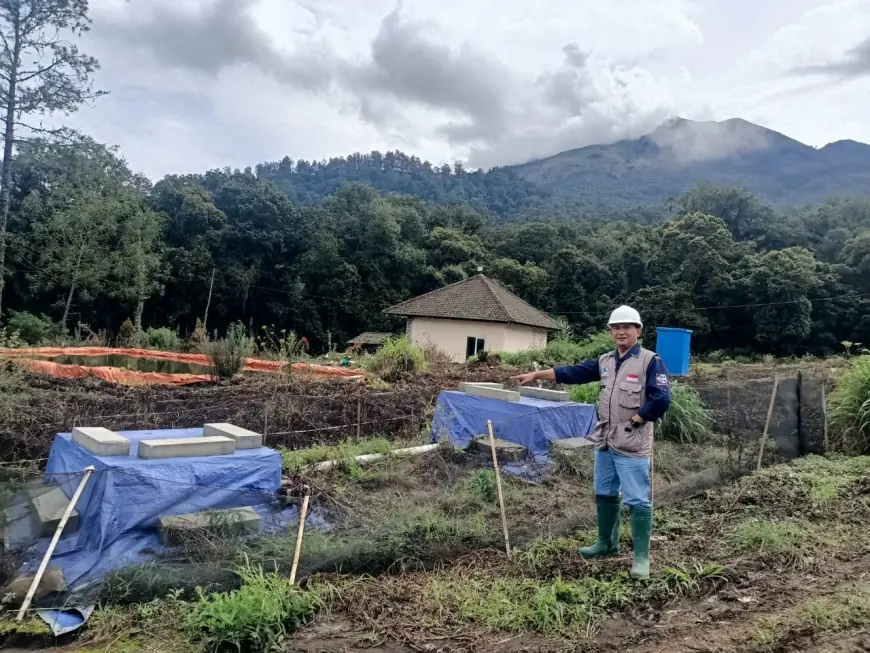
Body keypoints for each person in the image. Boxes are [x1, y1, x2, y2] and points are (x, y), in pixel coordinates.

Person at [511, 305, 671, 579]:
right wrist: (536, 375)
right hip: (605, 441)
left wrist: (637, 420)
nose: (621, 332)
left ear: (638, 331)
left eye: (627, 327)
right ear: (610, 332)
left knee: (636, 500)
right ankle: (606, 544)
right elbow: (573, 372)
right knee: (605, 493)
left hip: (632, 443)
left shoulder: (649, 361)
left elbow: (661, 398)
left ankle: (641, 558)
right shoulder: (606, 361)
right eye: (615, 327)